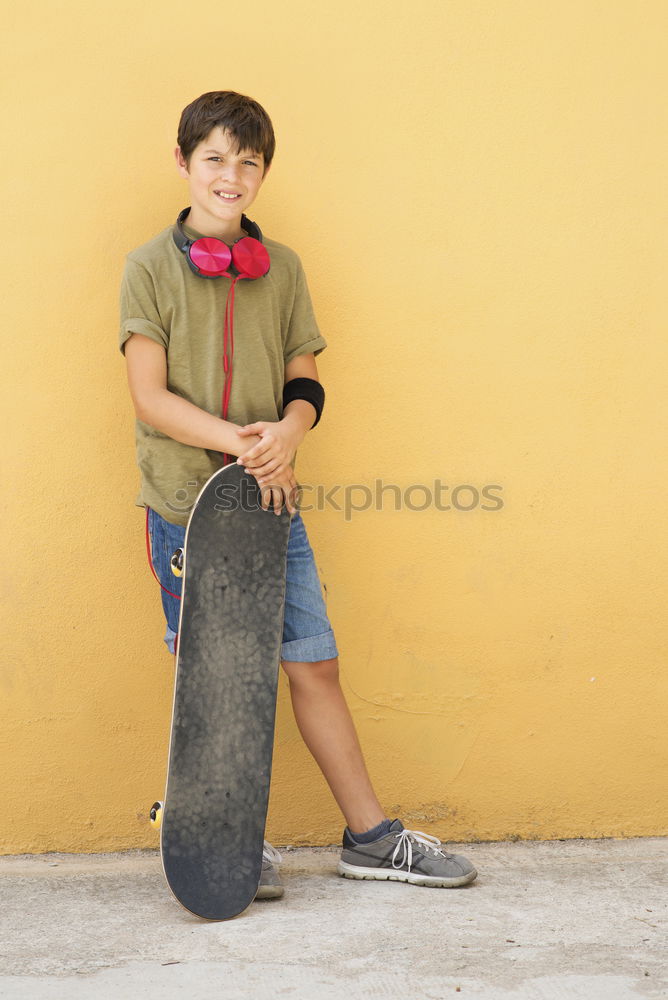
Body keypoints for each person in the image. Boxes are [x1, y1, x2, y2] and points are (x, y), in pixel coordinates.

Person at [119, 90, 477, 899]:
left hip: (270, 505)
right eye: (214, 158)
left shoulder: (284, 267)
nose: (231, 175)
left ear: (263, 172)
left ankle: (372, 838)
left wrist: (289, 431)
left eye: (248, 162)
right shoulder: (148, 267)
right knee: (213, 680)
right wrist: (237, 440)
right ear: (183, 164)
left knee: (314, 663)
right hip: (189, 509)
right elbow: (147, 394)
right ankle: (225, 840)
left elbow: (305, 379)